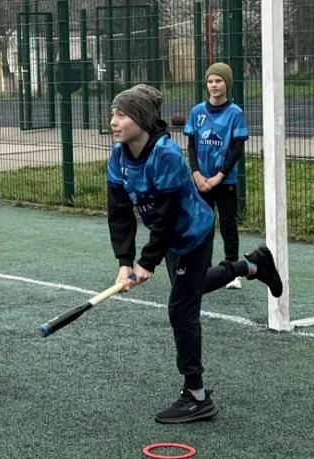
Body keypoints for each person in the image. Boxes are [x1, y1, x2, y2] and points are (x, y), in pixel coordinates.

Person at [106, 84, 283, 423]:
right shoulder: (118, 158)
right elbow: (119, 215)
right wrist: (124, 264)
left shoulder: (166, 155)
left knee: (181, 311)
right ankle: (252, 265)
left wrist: (147, 262)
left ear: (141, 119)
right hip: (171, 240)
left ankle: (197, 396)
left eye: (122, 114)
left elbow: (168, 216)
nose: (113, 121)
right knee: (192, 289)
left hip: (192, 234)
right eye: (113, 114)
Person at [184, 63, 249, 289]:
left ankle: (232, 271)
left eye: (218, 81)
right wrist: (196, 174)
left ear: (227, 84)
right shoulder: (197, 112)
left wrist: (220, 175)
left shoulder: (235, 113)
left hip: (225, 181)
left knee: (228, 224)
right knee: (202, 224)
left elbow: (236, 149)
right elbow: (191, 145)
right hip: (201, 181)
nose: (214, 85)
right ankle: (204, 269)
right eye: (210, 81)